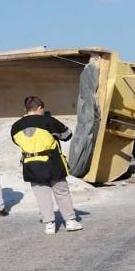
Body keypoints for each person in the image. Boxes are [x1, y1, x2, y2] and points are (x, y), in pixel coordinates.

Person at [11, 96, 83, 235]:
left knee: (41, 195)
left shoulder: (16, 126)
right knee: (61, 192)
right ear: (39, 107)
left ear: (26, 109)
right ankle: (70, 221)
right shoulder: (48, 120)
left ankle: (49, 224)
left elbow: (17, 141)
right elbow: (67, 135)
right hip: (52, 163)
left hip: (31, 165)